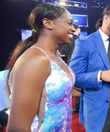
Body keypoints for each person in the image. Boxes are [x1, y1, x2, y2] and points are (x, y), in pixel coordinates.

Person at [7, 3, 75, 131]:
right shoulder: (35, 60)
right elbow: (17, 127)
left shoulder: (55, 56)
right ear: (48, 23)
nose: (73, 28)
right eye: (69, 23)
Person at [69, 3, 110, 132]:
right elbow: (74, 76)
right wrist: (101, 75)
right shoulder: (84, 43)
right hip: (98, 115)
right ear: (106, 18)